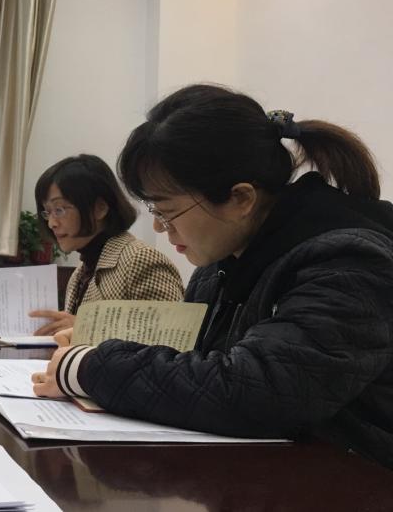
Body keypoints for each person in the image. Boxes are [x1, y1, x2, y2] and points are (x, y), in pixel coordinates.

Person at [32, 84, 393, 469]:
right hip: (263, 472)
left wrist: (87, 367)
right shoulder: (219, 264)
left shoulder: (349, 262)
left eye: (167, 210)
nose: (159, 226)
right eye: (154, 209)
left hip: (356, 481)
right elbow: (197, 365)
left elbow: (259, 392)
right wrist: (100, 342)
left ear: (241, 199)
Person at [28, 155, 183, 336]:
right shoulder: (80, 273)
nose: (51, 223)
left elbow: (169, 337)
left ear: (100, 208)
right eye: (47, 212)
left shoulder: (141, 259)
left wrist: (85, 328)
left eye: (59, 210)